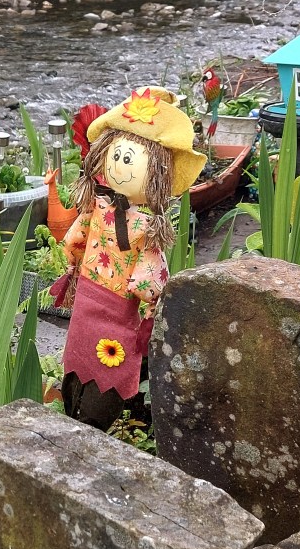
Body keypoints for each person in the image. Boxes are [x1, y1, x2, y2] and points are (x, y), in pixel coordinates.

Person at [52, 88, 206, 430]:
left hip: (117, 308)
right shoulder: (96, 207)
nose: (120, 166)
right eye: (117, 156)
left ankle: (95, 420)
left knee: (109, 366)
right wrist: (72, 267)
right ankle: (74, 408)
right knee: (78, 356)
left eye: (129, 159)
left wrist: (147, 302)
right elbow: (77, 240)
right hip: (88, 298)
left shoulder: (145, 227)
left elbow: (147, 274)